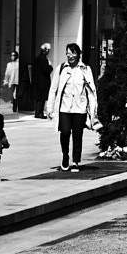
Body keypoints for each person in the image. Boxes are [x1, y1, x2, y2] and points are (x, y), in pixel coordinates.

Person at [47, 43, 97, 171]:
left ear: (78, 55)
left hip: (80, 108)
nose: (70, 56)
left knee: (77, 134)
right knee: (64, 132)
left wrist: (93, 108)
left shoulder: (85, 69)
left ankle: (75, 161)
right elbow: (53, 89)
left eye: (73, 53)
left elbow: (91, 90)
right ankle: (65, 155)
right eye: (68, 53)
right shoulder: (62, 68)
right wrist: (50, 107)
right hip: (64, 108)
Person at [32, 42, 54, 119]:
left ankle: (38, 112)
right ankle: (39, 113)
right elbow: (46, 69)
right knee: (41, 98)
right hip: (42, 81)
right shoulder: (43, 59)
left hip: (38, 81)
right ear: (46, 50)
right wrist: (50, 66)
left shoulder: (38, 58)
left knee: (40, 98)